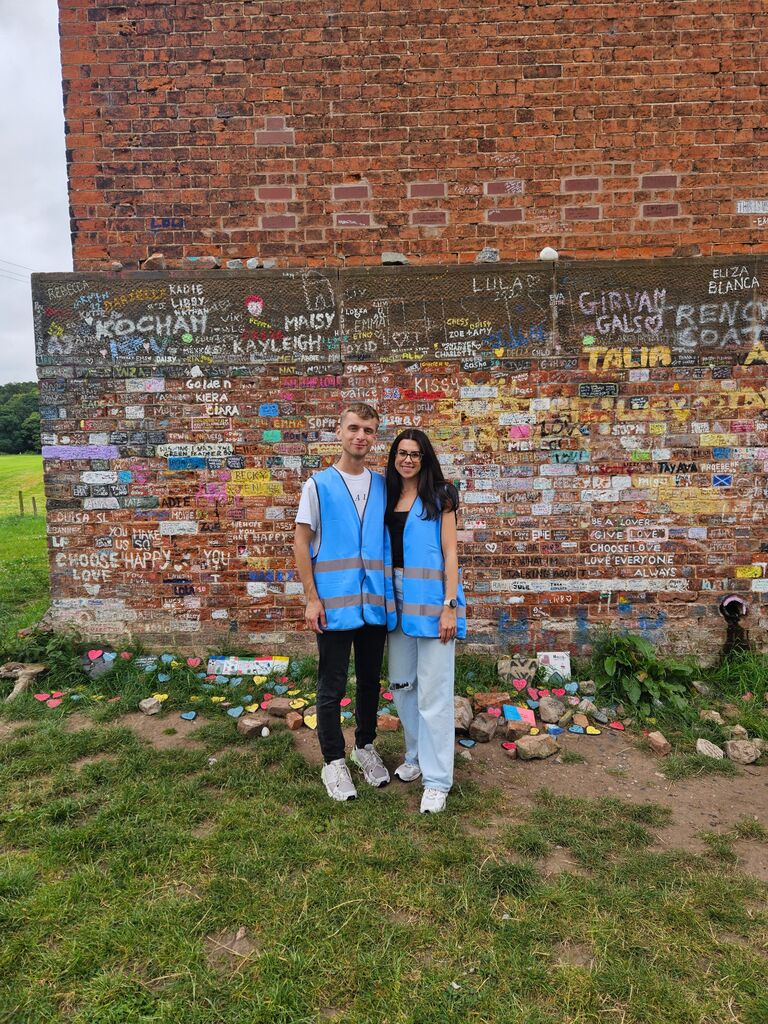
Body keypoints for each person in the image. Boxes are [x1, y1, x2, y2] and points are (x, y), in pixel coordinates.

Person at [293, 403, 396, 802]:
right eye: (354, 428)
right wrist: (311, 599)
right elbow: (302, 542)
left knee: (371, 681)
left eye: (369, 430)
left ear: (374, 436)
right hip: (333, 606)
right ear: (339, 431)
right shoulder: (317, 485)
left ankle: (364, 747)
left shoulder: (384, 485)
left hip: (373, 603)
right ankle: (333, 761)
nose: (361, 436)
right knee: (332, 684)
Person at [384, 429, 466, 814]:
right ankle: (416, 755)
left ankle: (437, 780)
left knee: (434, 692)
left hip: (432, 601)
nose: (408, 460)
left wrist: (450, 605)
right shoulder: (387, 495)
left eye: (415, 454)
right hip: (395, 599)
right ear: (394, 457)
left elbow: (450, 554)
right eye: (402, 453)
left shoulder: (441, 496)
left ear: (425, 457)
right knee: (402, 684)